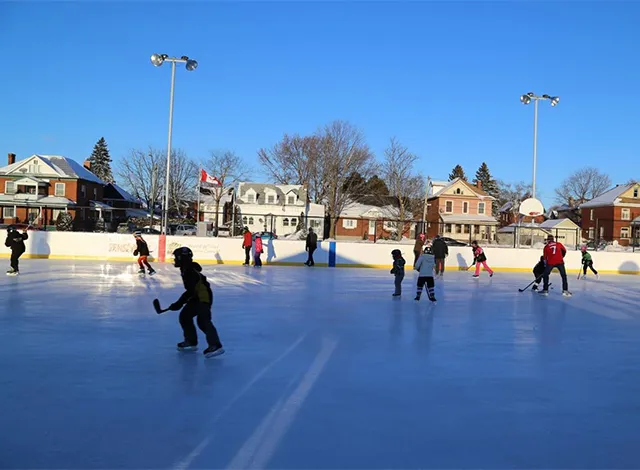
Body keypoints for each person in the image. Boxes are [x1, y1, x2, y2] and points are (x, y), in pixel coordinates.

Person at [167, 247, 224, 358]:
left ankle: (215, 345)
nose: (174, 260)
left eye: (176, 257)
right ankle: (191, 342)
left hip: (203, 296)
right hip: (196, 296)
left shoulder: (189, 271)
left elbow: (191, 290)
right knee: (185, 316)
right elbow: (191, 291)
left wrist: (179, 303)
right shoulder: (185, 269)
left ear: (182, 258)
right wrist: (180, 303)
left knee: (203, 320)